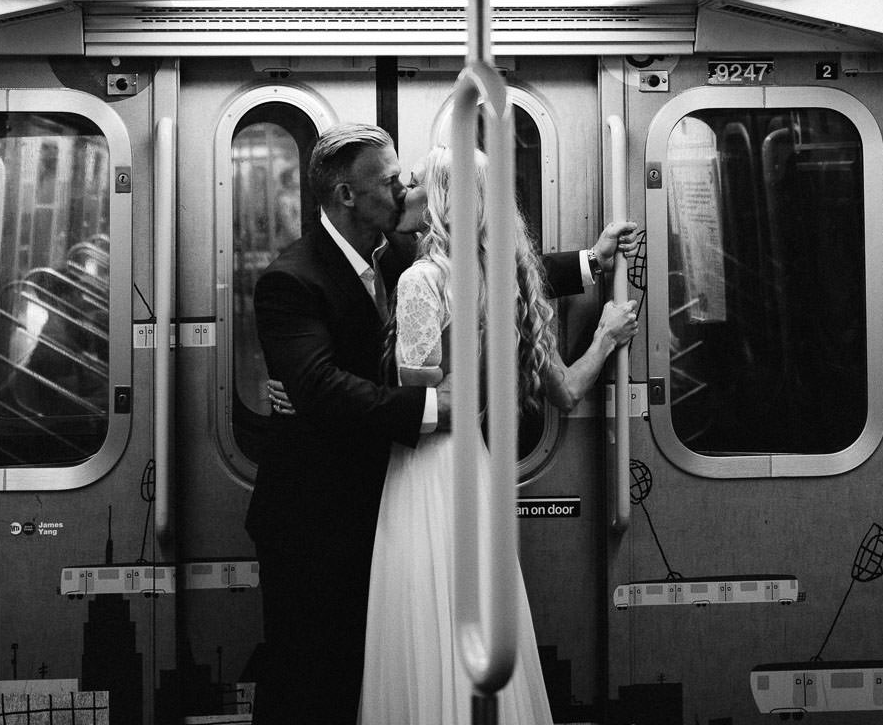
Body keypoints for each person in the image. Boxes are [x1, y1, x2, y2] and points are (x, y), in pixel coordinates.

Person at [246, 123, 638, 725]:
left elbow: (482, 264)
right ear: (347, 195)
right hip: (316, 516)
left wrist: (590, 262)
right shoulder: (292, 278)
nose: (403, 189)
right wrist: (438, 408)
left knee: (398, 656)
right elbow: (320, 386)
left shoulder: (402, 257)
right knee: (311, 675)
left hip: (395, 486)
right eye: (390, 180)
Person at [355, 144, 637, 725]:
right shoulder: (506, 283)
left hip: (427, 471)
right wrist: (606, 337)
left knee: (424, 616)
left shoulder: (420, 280)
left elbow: (415, 385)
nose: (404, 191)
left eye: (415, 184)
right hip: (476, 469)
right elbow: (566, 391)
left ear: (440, 201)